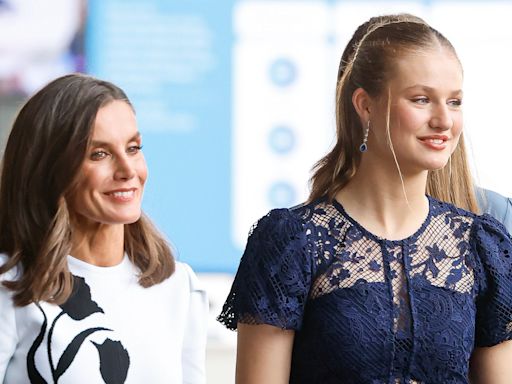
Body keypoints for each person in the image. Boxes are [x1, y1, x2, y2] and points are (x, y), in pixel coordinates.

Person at [218, 13, 512, 384]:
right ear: (365, 105)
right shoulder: (293, 241)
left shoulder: (480, 245)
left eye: (454, 102)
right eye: (422, 99)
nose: (444, 120)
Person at [0, 74, 208, 383]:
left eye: (134, 148)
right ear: (49, 169)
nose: (128, 170)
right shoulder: (10, 285)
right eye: (100, 154)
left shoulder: (178, 285)